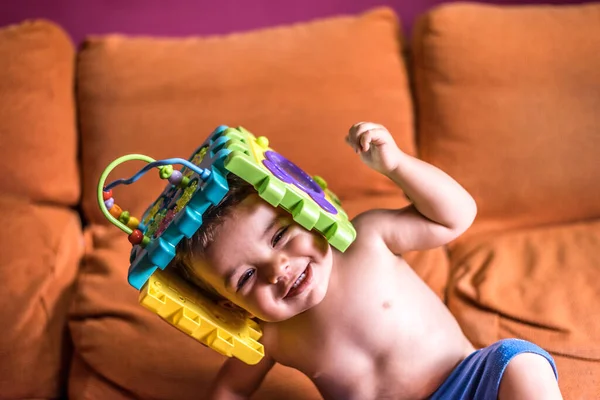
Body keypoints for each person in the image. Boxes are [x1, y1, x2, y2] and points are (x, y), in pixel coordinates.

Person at [170, 122, 562, 399]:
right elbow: (233, 388)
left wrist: (397, 167)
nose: (279, 269)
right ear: (228, 304)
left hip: (472, 383)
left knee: (522, 364)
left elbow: (454, 216)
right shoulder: (269, 337)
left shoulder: (365, 240)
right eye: (247, 277)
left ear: (304, 208)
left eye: (279, 236)